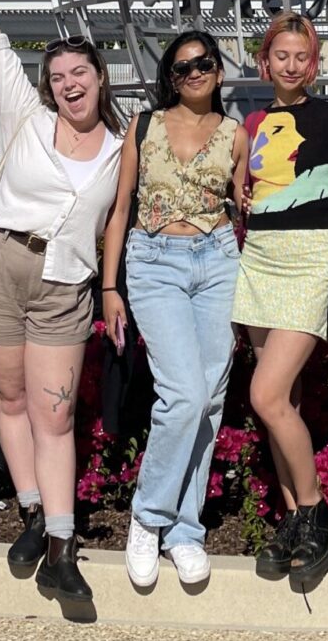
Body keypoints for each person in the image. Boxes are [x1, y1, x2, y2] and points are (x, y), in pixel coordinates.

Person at [0, 0, 124, 622]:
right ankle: (36, 515)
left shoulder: (124, 152)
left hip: (64, 287)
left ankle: (64, 550)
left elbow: (130, 220)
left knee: (56, 414)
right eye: (60, 76)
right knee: (10, 399)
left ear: (101, 79)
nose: (70, 84)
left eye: (81, 73)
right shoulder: (28, 116)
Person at [101, 30, 247, 590]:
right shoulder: (145, 125)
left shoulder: (235, 134)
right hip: (155, 260)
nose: (194, 73)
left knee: (209, 399)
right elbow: (120, 210)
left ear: (218, 69)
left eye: (204, 63)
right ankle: (148, 515)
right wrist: (110, 287)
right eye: (182, 67)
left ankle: (185, 530)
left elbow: (243, 203)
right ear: (170, 76)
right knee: (183, 393)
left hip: (217, 259)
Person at [234, 13, 328, 588]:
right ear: (264, 63)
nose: (290, 64)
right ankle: (291, 519)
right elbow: (243, 184)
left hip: (310, 259)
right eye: (279, 55)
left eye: (300, 55)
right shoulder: (252, 122)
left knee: (267, 392)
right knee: (285, 401)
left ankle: (314, 511)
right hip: (260, 258)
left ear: (315, 63)